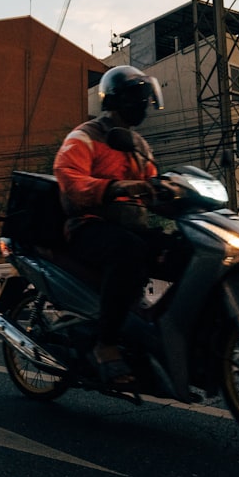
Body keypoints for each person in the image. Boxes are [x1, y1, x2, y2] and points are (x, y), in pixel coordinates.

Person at [53, 64, 167, 386]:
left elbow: (153, 184)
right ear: (117, 101)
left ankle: (162, 331)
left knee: (182, 249)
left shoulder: (139, 145)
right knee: (128, 251)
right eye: (137, 98)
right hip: (87, 224)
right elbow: (70, 180)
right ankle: (106, 345)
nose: (143, 105)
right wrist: (113, 187)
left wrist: (171, 192)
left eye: (146, 98)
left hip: (130, 226)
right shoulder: (85, 137)